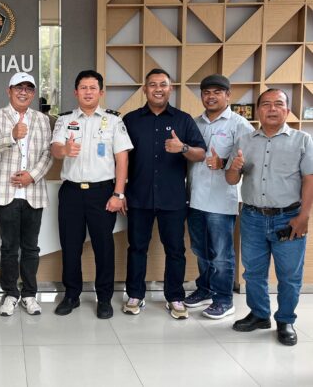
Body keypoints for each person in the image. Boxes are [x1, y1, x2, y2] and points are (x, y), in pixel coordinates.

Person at [226, 89, 313, 346]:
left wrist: (304, 216)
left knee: (289, 275)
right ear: (258, 110)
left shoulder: (302, 140)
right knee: (253, 272)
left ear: (287, 110)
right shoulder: (244, 140)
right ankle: (259, 314)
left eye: (278, 104)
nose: (272, 109)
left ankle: (285, 320)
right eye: (266, 104)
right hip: (252, 216)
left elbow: (310, 179)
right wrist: (234, 168)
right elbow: (231, 179)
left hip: (288, 218)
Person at [122, 68, 206, 320]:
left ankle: (175, 297)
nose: (158, 89)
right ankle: (135, 294)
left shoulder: (184, 120)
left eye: (163, 84)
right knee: (136, 248)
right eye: (152, 84)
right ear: (144, 89)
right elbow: (120, 158)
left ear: (170, 89)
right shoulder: (130, 120)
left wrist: (183, 148)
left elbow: (201, 153)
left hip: (173, 198)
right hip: (138, 196)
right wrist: (120, 192)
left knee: (176, 250)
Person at [50, 70, 132, 319]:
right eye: (83, 88)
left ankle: (104, 298)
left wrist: (119, 194)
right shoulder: (65, 120)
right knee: (70, 246)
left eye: (92, 88)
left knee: (103, 247)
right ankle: (71, 295)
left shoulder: (113, 120)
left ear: (101, 92)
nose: (88, 92)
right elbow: (55, 150)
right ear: (76, 92)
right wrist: (65, 149)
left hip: (102, 192)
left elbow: (122, 159)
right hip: (71, 193)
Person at [185, 74, 255, 319]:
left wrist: (223, 162)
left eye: (217, 92)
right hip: (194, 198)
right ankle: (204, 289)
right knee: (200, 249)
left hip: (221, 201)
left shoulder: (239, 125)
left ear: (228, 95)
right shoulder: (195, 123)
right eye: (206, 92)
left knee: (221, 254)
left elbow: (250, 162)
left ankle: (224, 299)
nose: (211, 96)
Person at [0, 72, 53, 316]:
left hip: (33, 192)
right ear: (9, 91)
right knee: (9, 247)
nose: (23, 92)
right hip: (6, 192)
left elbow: (48, 154)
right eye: (18, 88)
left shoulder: (42, 119)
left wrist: (31, 176)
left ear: (33, 93)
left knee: (31, 247)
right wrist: (12, 135)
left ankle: (30, 295)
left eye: (28, 88)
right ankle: (11, 294)